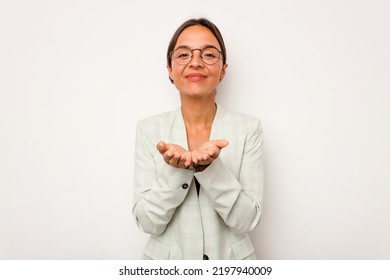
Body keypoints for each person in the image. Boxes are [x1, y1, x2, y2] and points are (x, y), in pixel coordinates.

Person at [132, 18, 264, 260]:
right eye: (183, 55)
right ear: (170, 69)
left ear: (223, 69)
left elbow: (247, 221)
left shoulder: (249, 129)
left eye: (209, 55)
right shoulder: (148, 129)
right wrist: (175, 170)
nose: (195, 62)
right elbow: (148, 222)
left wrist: (211, 169)